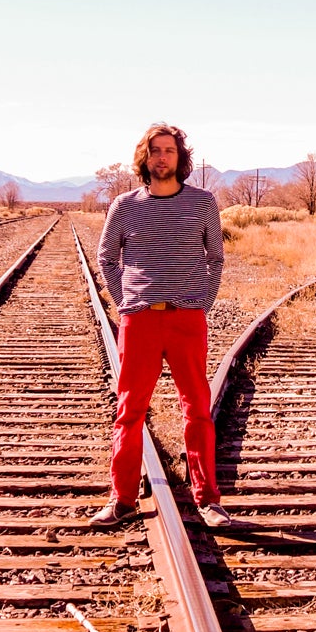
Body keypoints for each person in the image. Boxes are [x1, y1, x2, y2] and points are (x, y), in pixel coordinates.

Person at [92, 123, 228, 529]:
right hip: (140, 322)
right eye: (156, 151)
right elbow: (106, 258)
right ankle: (122, 499)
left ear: (180, 158)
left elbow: (216, 258)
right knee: (130, 411)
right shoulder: (125, 205)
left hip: (187, 319)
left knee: (198, 410)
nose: (162, 157)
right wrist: (126, 302)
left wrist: (201, 301)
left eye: (169, 150)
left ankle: (208, 500)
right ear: (145, 158)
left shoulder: (203, 203)